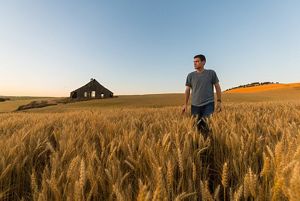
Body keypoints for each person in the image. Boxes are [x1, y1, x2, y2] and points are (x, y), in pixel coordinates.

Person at [182, 54, 222, 137]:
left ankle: (208, 144)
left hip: (209, 104)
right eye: (194, 62)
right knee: (197, 127)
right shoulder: (190, 75)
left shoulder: (211, 73)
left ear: (204, 62)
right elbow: (187, 90)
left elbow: (217, 87)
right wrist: (185, 104)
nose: (195, 63)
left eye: (197, 61)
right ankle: (199, 146)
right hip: (195, 105)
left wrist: (219, 101)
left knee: (207, 126)